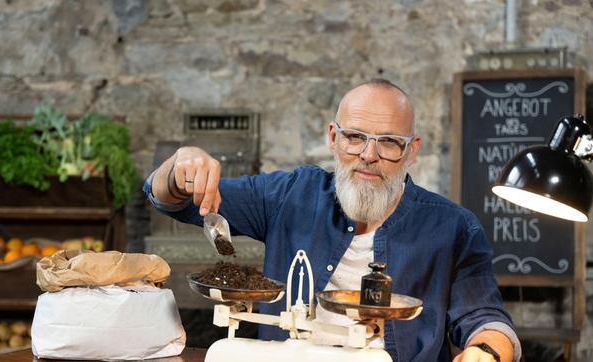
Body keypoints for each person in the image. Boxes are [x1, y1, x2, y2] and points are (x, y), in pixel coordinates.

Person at [144, 79, 521, 362]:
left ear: (412, 151)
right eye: (355, 137)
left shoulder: (453, 227)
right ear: (333, 137)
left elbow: (486, 319)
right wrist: (180, 168)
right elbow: (171, 201)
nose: (368, 155)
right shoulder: (290, 195)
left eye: (389, 142)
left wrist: (487, 350)